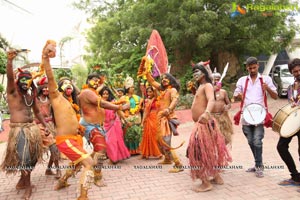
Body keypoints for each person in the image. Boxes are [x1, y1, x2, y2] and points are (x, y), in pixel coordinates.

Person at [41, 40, 95, 200]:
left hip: (74, 139)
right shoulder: (56, 97)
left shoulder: (72, 104)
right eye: (63, 84)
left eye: (69, 83)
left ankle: (63, 181)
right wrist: (45, 58)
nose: (68, 85)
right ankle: (83, 197)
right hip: (65, 141)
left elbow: (71, 120)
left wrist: (79, 128)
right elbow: (50, 76)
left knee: (77, 163)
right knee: (89, 163)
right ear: (59, 88)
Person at [0, 50, 49, 199]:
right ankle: (28, 187)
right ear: (18, 80)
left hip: (32, 129)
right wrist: (9, 61)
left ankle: (22, 180)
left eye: (28, 79)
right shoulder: (13, 92)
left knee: (33, 158)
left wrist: (45, 126)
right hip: (19, 130)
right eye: (22, 79)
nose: (25, 81)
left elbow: (37, 112)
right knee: (25, 158)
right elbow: (9, 77)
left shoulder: (30, 95)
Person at [186, 63, 232, 192]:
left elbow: (211, 99)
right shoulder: (201, 86)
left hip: (204, 124)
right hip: (202, 125)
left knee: (195, 153)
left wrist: (206, 112)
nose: (195, 74)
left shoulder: (207, 85)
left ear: (203, 73)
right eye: (193, 72)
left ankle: (205, 183)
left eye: (197, 72)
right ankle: (216, 177)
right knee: (208, 150)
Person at [79, 73, 129, 187]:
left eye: (98, 81)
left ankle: (82, 166)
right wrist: (119, 107)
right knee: (101, 150)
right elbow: (101, 103)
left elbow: (101, 90)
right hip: (89, 125)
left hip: (97, 125)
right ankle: (97, 177)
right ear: (88, 80)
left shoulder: (93, 92)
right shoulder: (87, 92)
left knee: (97, 151)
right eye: (94, 80)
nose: (96, 82)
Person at [233, 56, 278, 178]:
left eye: (254, 67)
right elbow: (235, 95)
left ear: (258, 65)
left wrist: (267, 88)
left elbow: (275, 97)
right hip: (246, 116)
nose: (252, 70)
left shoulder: (266, 79)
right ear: (247, 68)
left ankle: (258, 166)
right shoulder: (242, 80)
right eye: (250, 68)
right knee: (250, 141)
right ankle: (258, 163)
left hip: (259, 116)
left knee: (257, 141)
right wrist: (238, 96)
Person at [142, 70, 184, 173]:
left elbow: (175, 100)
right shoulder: (163, 90)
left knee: (165, 141)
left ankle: (178, 164)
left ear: (170, 80)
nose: (163, 80)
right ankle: (167, 159)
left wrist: (168, 109)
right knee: (158, 140)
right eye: (162, 79)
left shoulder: (172, 90)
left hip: (167, 118)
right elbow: (152, 82)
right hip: (160, 119)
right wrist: (147, 71)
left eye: (166, 78)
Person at [277, 58, 300, 187]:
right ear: (292, 72)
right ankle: (295, 176)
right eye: (295, 71)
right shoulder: (291, 87)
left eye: (299, 70)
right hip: (293, 122)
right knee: (281, 146)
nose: (298, 73)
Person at [35, 76, 61, 179]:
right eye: (44, 87)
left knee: (55, 148)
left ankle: (48, 169)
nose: (46, 89)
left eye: (47, 87)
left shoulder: (50, 99)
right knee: (53, 146)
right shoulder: (35, 99)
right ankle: (58, 170)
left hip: (51, 126)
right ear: (40, 88)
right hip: (40, 126)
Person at [99, 86, 130, 164]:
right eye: (103, 94)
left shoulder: (113, 101)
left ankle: (114, 159)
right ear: (101, 95)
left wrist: (125, 120)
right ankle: (113, 157)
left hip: (115, 123)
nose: (105, 95)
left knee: (116, 141)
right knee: (109, 142)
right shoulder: (100, 103)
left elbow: (119, 111)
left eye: (107, 93)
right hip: (106, 125)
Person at [121, 76, 144, 155]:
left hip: (136, 117)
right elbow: (119, 108)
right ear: (127, 88)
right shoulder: (123, 98)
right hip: (127, 118)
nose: (133, 89)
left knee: (137, 134)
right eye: (132, 87)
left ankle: (137, 150)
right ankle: (129, 151)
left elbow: (142, 103)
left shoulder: (137, 97)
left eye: (134, 87)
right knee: (128, 135)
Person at [139, 86, 162, 159]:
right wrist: (142, 122)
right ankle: (146, 153)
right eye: (147, 92)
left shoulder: (156, 99)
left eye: (150, 92)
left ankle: (159, 152)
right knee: (147, 135)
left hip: (156, 118)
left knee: (155, 135)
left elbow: (157, 93)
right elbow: (145, 112)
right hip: (149, 118)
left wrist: (153, 86)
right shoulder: (146, 100)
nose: (148, 93)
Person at [211, 72, 234, 146]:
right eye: (215, 80)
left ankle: (222, 150)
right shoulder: (209, 92)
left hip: (222, 117)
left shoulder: (223, 92)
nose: (216, 81)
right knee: (213, 137)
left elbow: (229, 104)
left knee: (225, 138)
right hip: (212, 117)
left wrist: (227, 107)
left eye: (218, 79)